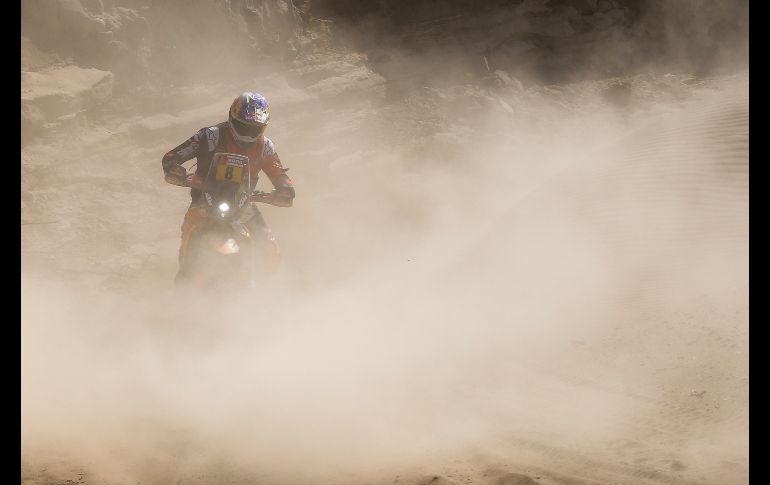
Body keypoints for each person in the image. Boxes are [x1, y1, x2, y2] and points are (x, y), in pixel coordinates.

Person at [161, 91, 295, 284]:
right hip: (204, 199)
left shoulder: (265, 146)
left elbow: (279, 174)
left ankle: (267, 291)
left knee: (268, 247)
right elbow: (172, 156)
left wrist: (285, 188)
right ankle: (185, 278)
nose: (248, 134)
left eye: (254, 129)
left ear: (263, 127)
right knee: (189, 233)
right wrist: (174, 169)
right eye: (243, 126)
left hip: (244, 203)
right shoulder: (210, 136)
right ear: (232, 118)